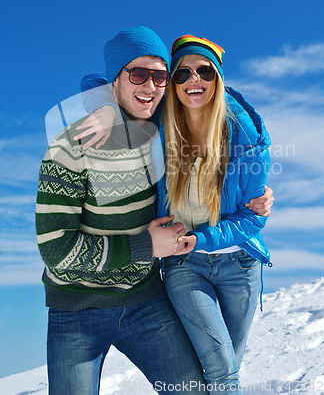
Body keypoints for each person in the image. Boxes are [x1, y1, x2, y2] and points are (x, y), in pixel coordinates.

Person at [77, 32, 273, 394]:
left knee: (224, 368)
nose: (192, 80)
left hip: (241, 266)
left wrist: (205, 237)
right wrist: (105, 107)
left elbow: (253, 218)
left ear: (219, 78)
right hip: (186, 263)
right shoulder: (160, 118)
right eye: (181, 74)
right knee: (222, 369)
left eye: (204, 71)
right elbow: (98, 82)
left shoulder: (247, 138)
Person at [36, 27, 209, 395]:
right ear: (115, 82)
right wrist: (146, 246)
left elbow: (219, 118)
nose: (150, 86)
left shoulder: (163, 133)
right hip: (75, 311)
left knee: (193, 390)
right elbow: (56, 251)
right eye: (138, 74)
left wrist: (256, 192)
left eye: (160, 76)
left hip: (146, 300)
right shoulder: (71, 146)